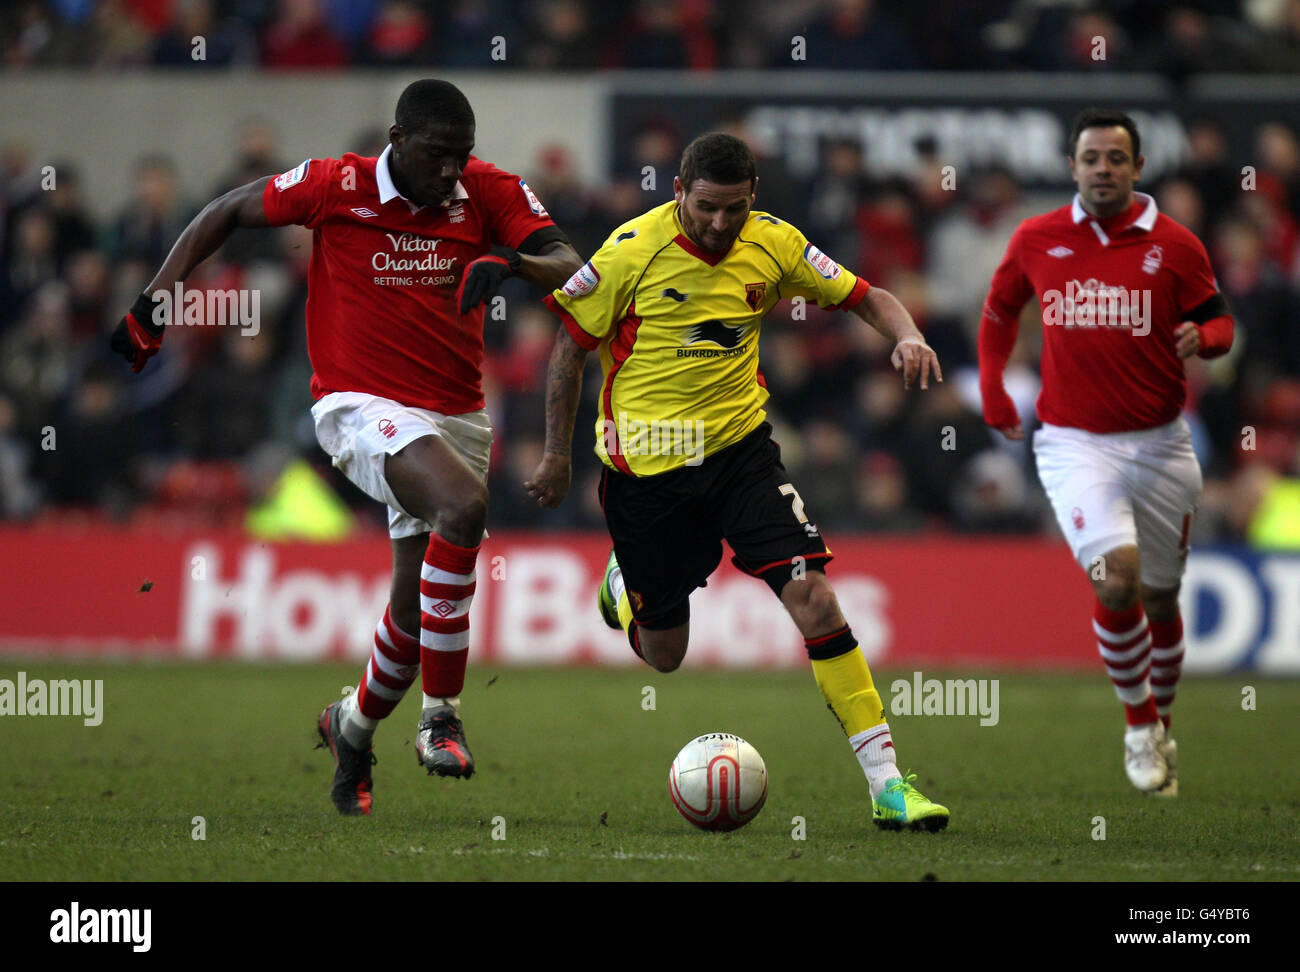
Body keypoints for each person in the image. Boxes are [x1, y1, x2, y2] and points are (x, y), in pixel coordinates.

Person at [110, 79, 582, 815]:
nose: (451, 171)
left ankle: (351, 729)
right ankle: (441, 718)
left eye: (462, 155)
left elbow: (573, 269)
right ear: (397, 139)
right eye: (437, 155)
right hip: (359, 406)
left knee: (415, 612)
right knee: (462, 509)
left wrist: (514, 264)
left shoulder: (487, 189)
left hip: (455, 415)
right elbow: (224, 211)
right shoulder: (337, 184)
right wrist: (154, 303)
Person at [527, 132, 949, 832]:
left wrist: (906, 334)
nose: (721, 224)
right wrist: (555, 456)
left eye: (736, 209)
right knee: (665, 656)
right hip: (648, 473)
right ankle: (624, 590)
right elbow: (568, 351)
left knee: (814, 598)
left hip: (740, 456)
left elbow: (866, 296)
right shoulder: (630, 250)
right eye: (707, 208)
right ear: (678, 193)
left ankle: (888, 784)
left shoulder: (775, 242)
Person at [978, 108, 1234, 796]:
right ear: (1072, 167)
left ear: (1137, 168)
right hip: (1073, 443)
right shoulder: (1038, 237)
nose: (1103, 169)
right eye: (1091, 158)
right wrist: (996, 392)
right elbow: (1000, 310)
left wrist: (1204, 341)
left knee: (1160, 598)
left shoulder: (1176, 245)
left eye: (1116, 158)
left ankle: (1162, 726)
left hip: (1161, 445)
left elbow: (1219, 318)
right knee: (1115, 579)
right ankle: (1137, 725)